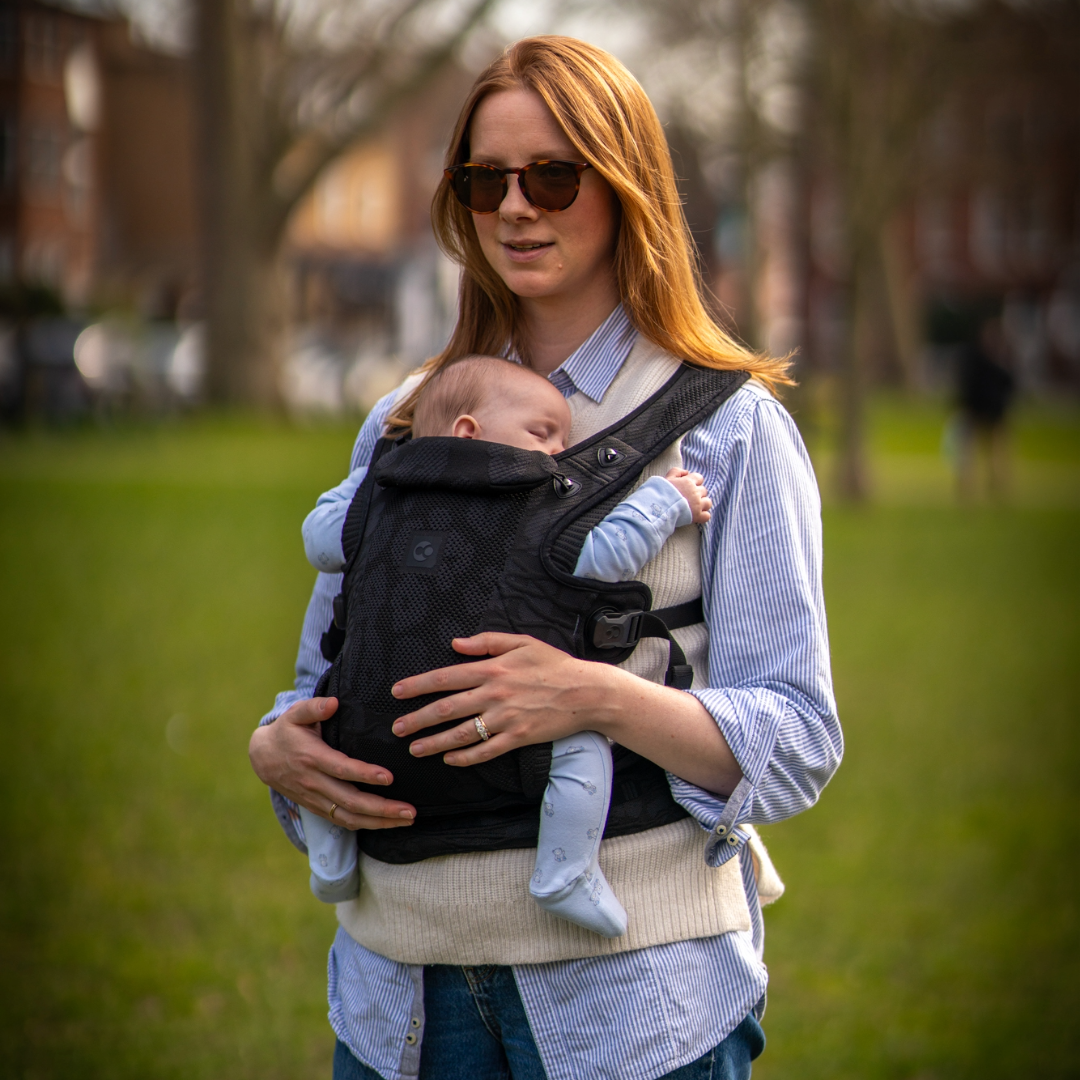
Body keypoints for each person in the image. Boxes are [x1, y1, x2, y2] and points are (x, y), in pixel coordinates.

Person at [249, 35, 841, 1080]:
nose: (516, 207)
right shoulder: (401, 420)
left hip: (636, 1006)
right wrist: (279, 753)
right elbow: (326, 674)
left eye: (553, 176)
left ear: (624, 188)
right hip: (400, 1006)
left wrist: (591, 699)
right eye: (486, 181)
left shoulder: (731, 430)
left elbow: (796, 736)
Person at [298, 353, 712, 942]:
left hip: (369, 713)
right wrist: (665, 502)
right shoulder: (532, 506)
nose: (556, 451)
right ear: (470, 431)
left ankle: (331, 859)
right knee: (582, 748)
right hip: (506, 730)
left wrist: (360, 486)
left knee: (316, 725)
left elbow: (321, 542)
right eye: (544, 435)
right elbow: (603, 557)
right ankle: (565, 870)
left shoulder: (381, 494)